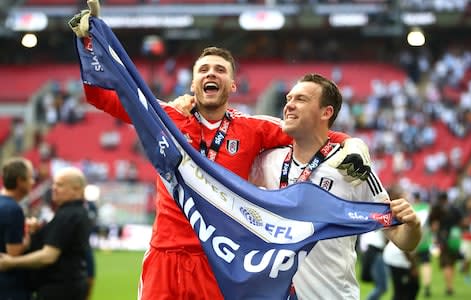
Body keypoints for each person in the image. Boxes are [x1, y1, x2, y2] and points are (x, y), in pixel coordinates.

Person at [69, 2, 372, 298]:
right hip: (165, 254)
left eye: (220, 70)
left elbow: (310, 130)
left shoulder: (254, 127)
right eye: (203, 69)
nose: (211, 74)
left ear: (233, 85)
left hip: (219, 259)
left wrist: (351, 143)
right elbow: (100, 96)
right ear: (193, 83)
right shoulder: (164, 117)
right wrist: (88, 40)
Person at [249, 73, 422, 299]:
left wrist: (413, 225)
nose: (289, 105)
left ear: (326, 112)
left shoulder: (352, 168)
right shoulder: (268, 162)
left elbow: (401, 239)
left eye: (300, 99)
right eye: (289, 98)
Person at [0, 167, 92, 300]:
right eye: (54, 184)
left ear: (76, 189)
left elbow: (48, 256)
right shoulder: (74, 212)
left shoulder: (69, 215)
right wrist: (38, 232)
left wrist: (11, 262)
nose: (54, 188)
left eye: (60, 184)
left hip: (60, 289)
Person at [0, 157, 36, 300]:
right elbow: (13, 253)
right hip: (9, 287)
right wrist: (30, 234)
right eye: (30, 178)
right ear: (20, 181)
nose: (33, 182)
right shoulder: (13, 210)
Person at [382, 185, 420, 300]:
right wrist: (413, 265)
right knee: (408, 289)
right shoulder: (399, 212)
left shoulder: (391, 213)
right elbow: (405, 247)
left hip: (391, 255)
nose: (406, 196)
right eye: (402, 194)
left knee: (401, 290)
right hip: (397, 257)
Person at [429, 192, 463, 296]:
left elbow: (433, 226)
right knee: (452, 263)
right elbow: (461, 221)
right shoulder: (454, 208)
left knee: (446, 264)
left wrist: (435, 235)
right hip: (454, 239)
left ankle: (449, 287)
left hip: (442, 240)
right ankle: (450, 285)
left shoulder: (437, 209)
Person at [360, 229, 388, 300]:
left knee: (380, 286)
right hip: (376, 251)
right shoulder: (381, 220)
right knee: (381, 287)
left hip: (371, 251)